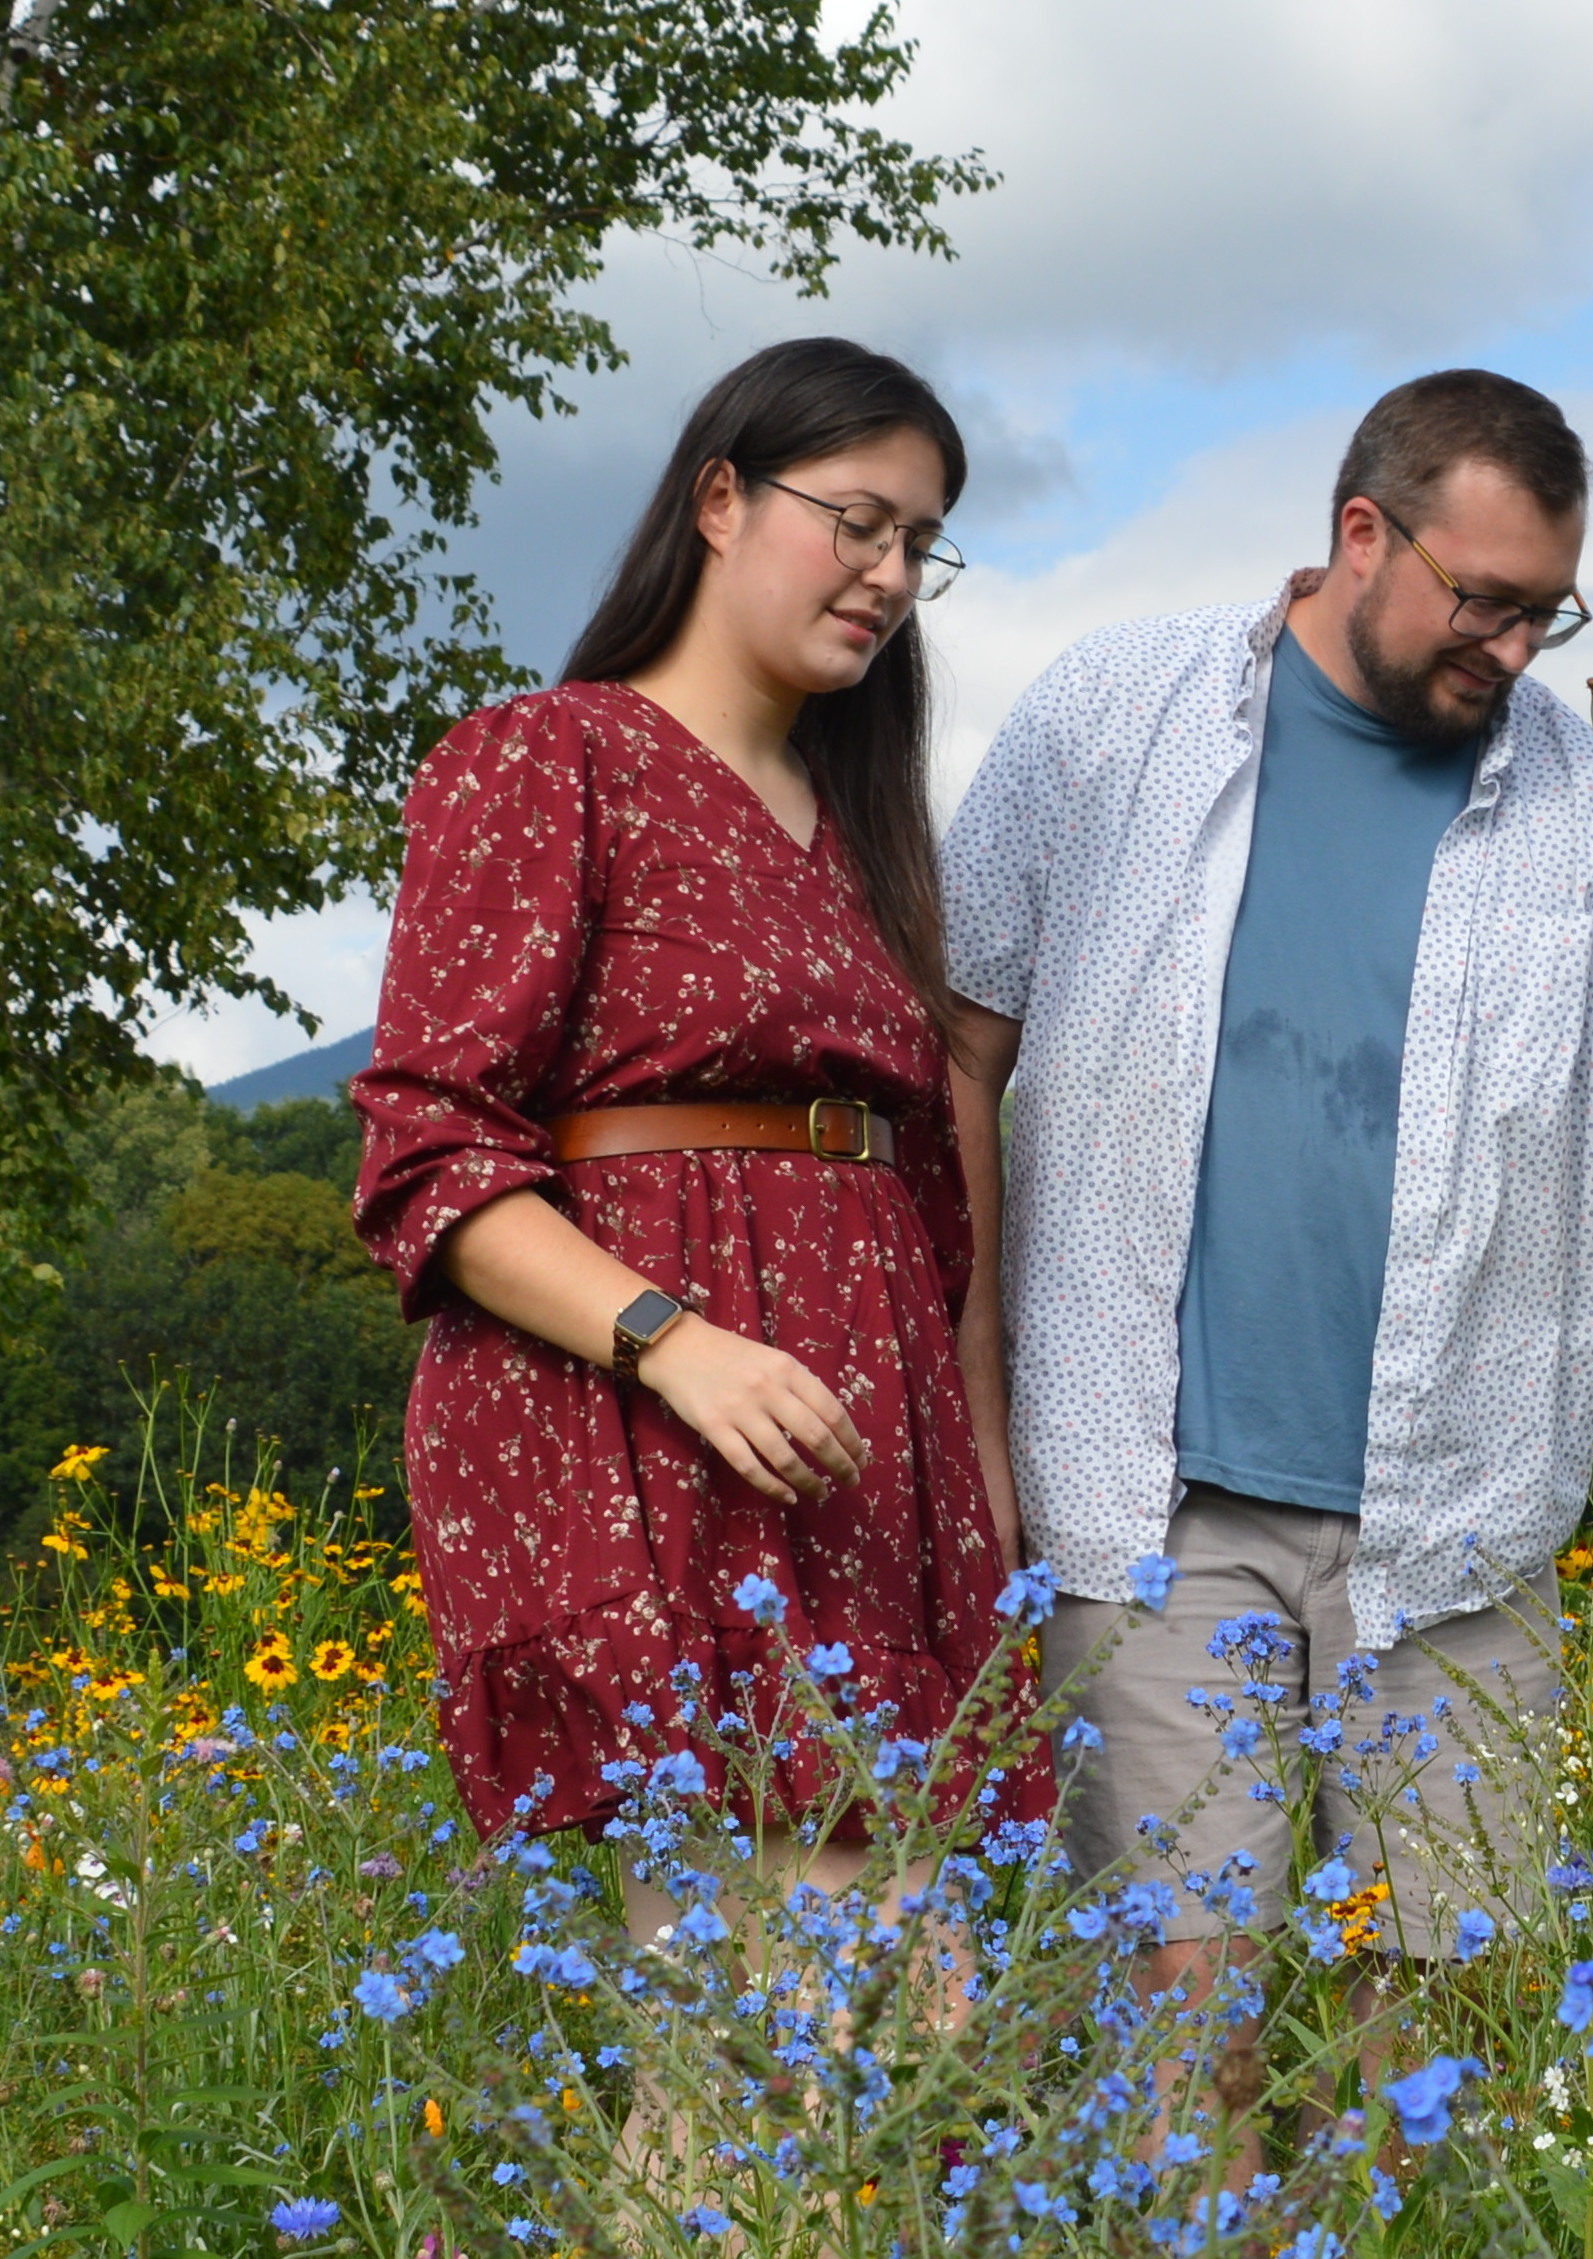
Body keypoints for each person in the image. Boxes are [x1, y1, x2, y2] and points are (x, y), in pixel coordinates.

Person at [939, 368, 1593, 2155]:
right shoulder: (1119, 709)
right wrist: (965, 1419)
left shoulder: (1568, 793)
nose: (1510, 647)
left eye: (1542, 610)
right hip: (1145, 1501)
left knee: (1438, 2076)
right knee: (1179, 2065)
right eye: (1479, 600)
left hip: (1462, 1527)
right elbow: (960, 1051)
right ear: (1363, 533)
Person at [351, 337, 1049, 1939]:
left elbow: (937, 1192)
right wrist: (677, 1345)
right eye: (859, 521)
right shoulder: (551, 755)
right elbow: (429, 1148)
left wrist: (970, 1445)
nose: (889, 575)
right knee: (786, 2029)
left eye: (922, 545)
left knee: (893, 2023)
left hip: (862, 1448)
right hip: (650, 1425)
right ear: (720, 500)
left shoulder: (860, 831)